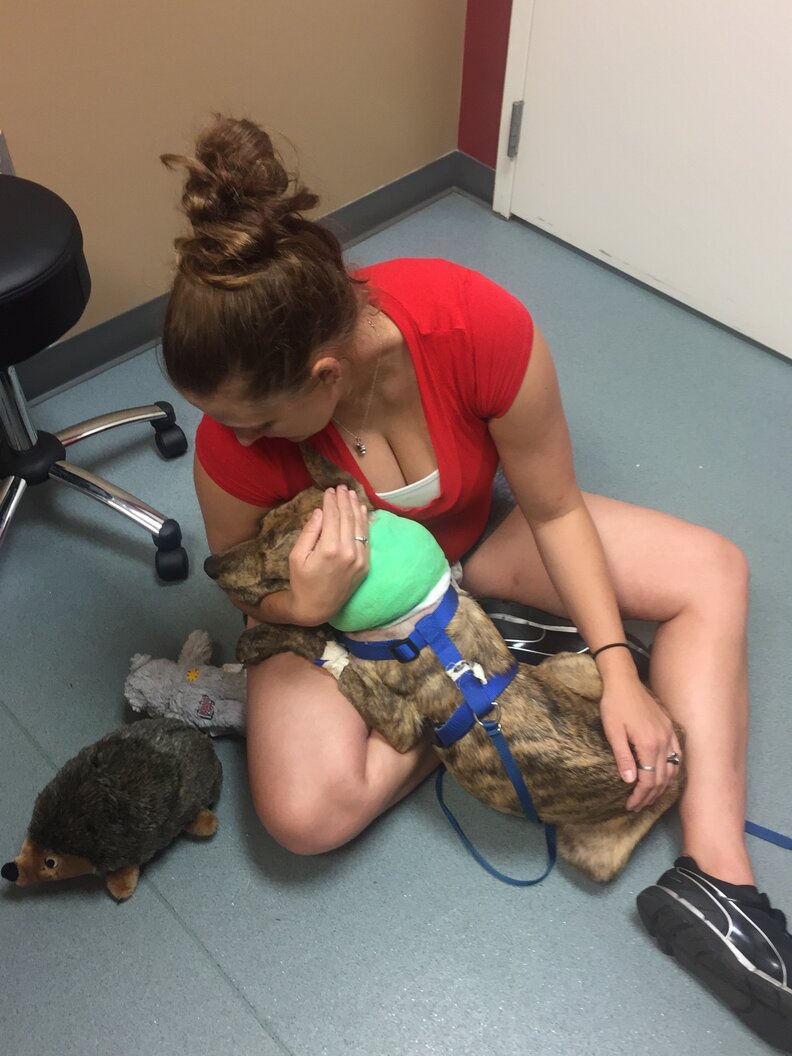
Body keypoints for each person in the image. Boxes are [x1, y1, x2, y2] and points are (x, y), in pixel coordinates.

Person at [160, 116, 791, 1049]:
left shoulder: (473, 323)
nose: (231, 437)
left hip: (476, 546)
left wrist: (619, 670)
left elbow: (557, 510)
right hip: (341, 621)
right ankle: (487, 665)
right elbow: (247, 596)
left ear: (324, 376)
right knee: (300, 814)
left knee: (714, 571)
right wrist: (310, 603)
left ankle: (718, 882)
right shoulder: (230, 447)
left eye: (252, 420)